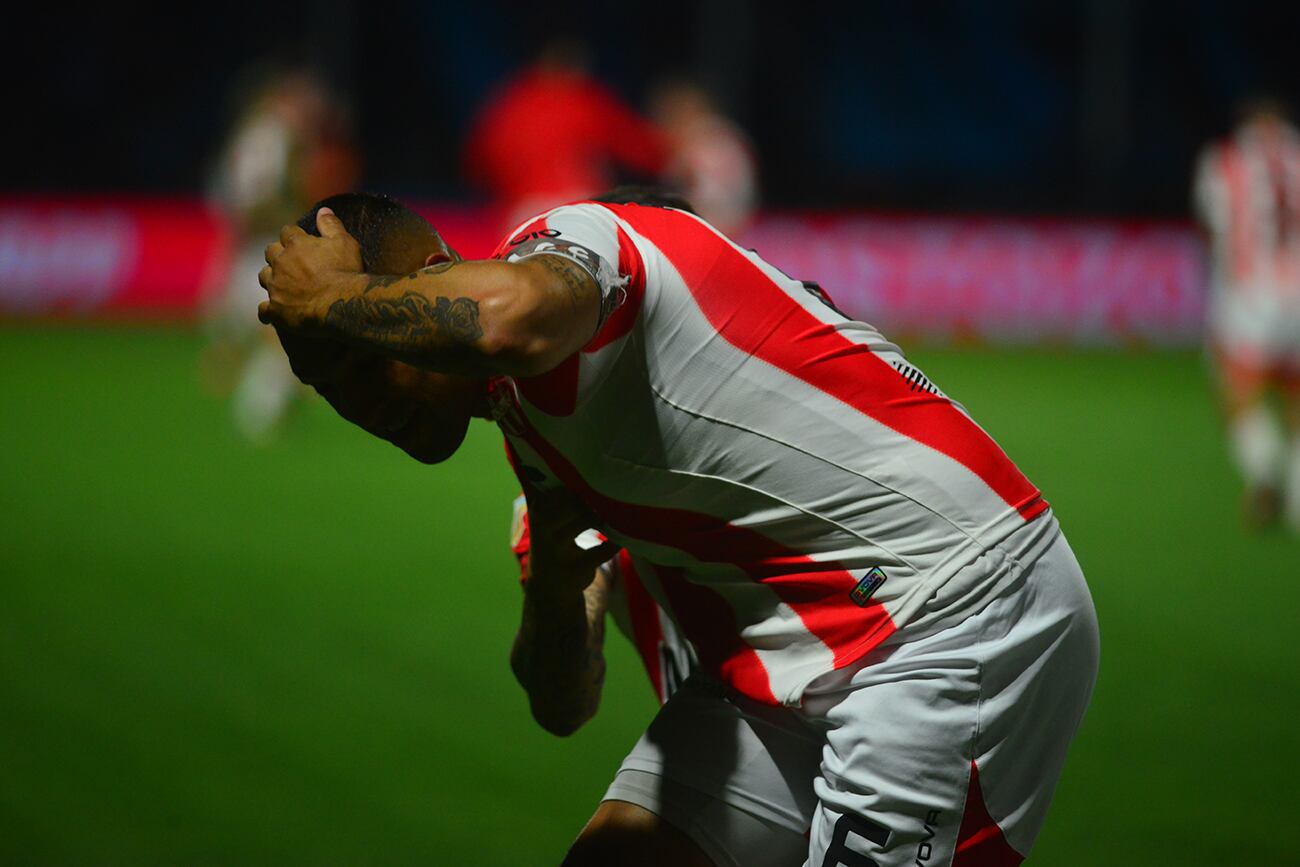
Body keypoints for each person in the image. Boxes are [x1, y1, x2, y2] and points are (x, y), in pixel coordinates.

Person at [259, 190, 1099, 866]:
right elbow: (562, 702)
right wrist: (562, 564)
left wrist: (332, 298)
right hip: (785, 673)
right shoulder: (541, 455)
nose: (357, 399)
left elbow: (512, 315)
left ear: (436, 275)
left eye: (365, 346)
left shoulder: (574, 242)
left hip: (946, 609)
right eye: (328, 377)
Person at [203, 66, 359, 441]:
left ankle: (261, 402)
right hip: (261, 246)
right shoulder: (269, 139)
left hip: (251, 247)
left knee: (280, 333)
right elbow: (255, 200)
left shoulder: (262, 136)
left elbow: (228, 196)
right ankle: (257, 415)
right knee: (284, 333)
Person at [1194, 98, 1300, 530]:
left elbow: (1212, 228)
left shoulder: (1225, 161)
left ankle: (1264, 470)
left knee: (1236, 385)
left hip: (1252, 290)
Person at [464, 39, 670, 231]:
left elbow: (478, 164)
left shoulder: (509, 103)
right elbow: (643, 150)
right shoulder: (583, 99)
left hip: (525, 212)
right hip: (579, 205)